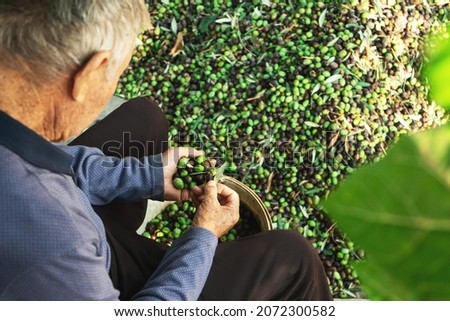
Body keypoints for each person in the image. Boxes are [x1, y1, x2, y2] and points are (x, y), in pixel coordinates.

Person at [0, 0, 332, 300]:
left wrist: (149, 176)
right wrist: (202, 236)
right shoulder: (55, 234)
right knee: (294, 258)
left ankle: (133, 243)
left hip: (85, 233)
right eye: (115, 74)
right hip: (92, 278)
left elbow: (65, 166)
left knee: (145, 117)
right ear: (88, 75)